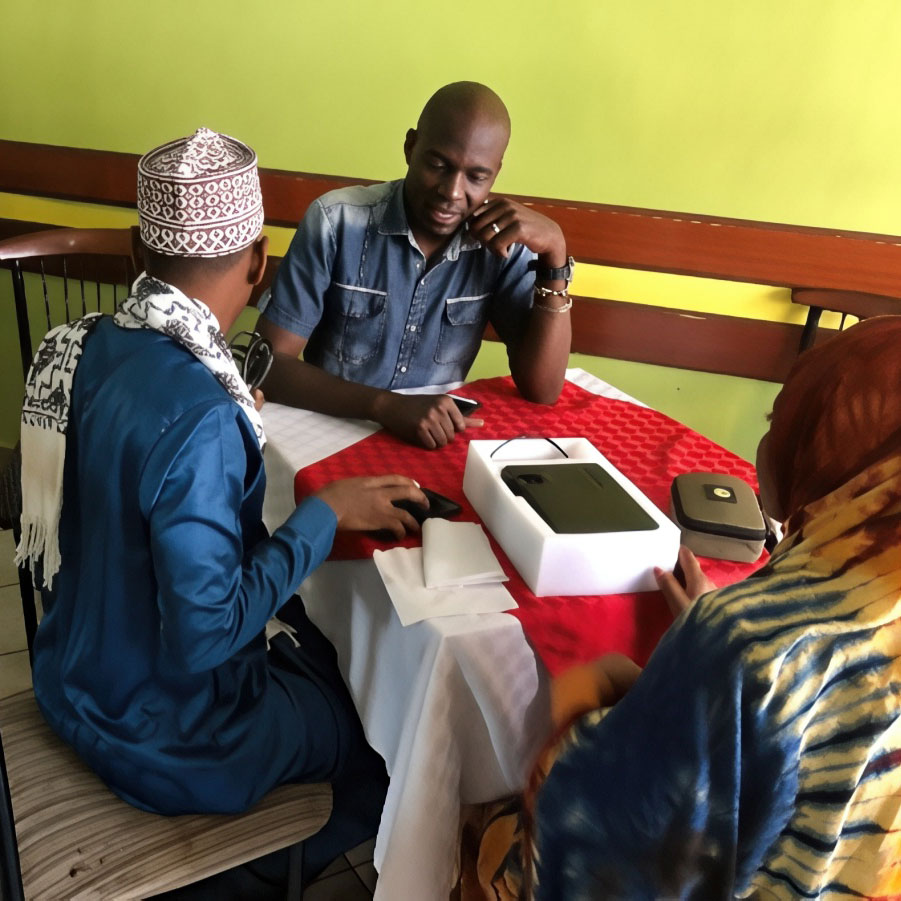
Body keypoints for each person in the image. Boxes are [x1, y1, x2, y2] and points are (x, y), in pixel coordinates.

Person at [16, 128, 428, 895]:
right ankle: (234, 875)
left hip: (71, 679)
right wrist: (325, 514)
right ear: (260, 261)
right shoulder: (206, 414)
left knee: (304, 642)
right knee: (384, 735)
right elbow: (205, 632)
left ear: (139, 252)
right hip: (164, 741)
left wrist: (222, 418)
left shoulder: (88, 344)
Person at [461, 316, 901, 899]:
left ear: (831, 460)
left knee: (472, 801)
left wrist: (591, 695)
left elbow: (596, 848)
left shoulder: (745, 644)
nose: (765, 445)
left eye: (784, 424)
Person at [257, 81, 573, 449]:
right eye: (438, 165)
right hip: (327, 432)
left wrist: (555, 255)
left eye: (476, 176)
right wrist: (386, 406)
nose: (452, 192)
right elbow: (269, 366)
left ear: (496, 173)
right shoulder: (337, 221)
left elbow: (544, 390)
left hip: (433, 442)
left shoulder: (503, 247)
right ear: (411, 147)